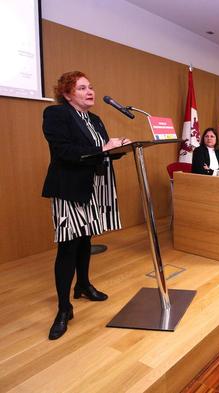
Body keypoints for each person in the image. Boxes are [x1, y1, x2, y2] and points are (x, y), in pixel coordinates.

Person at [42, 71, 130, 340]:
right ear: (67, 94)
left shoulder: (96, 119)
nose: (90, 91)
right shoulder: (56, 114)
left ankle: (82, 285)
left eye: (90, 86)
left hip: (94, 189)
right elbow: (64, 152)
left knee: (84, 240)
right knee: (69, 246)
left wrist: (119, 148)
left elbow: (102, 153)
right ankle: (63, 308)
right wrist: (104, 149)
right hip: (69, 188)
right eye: (82, 88)